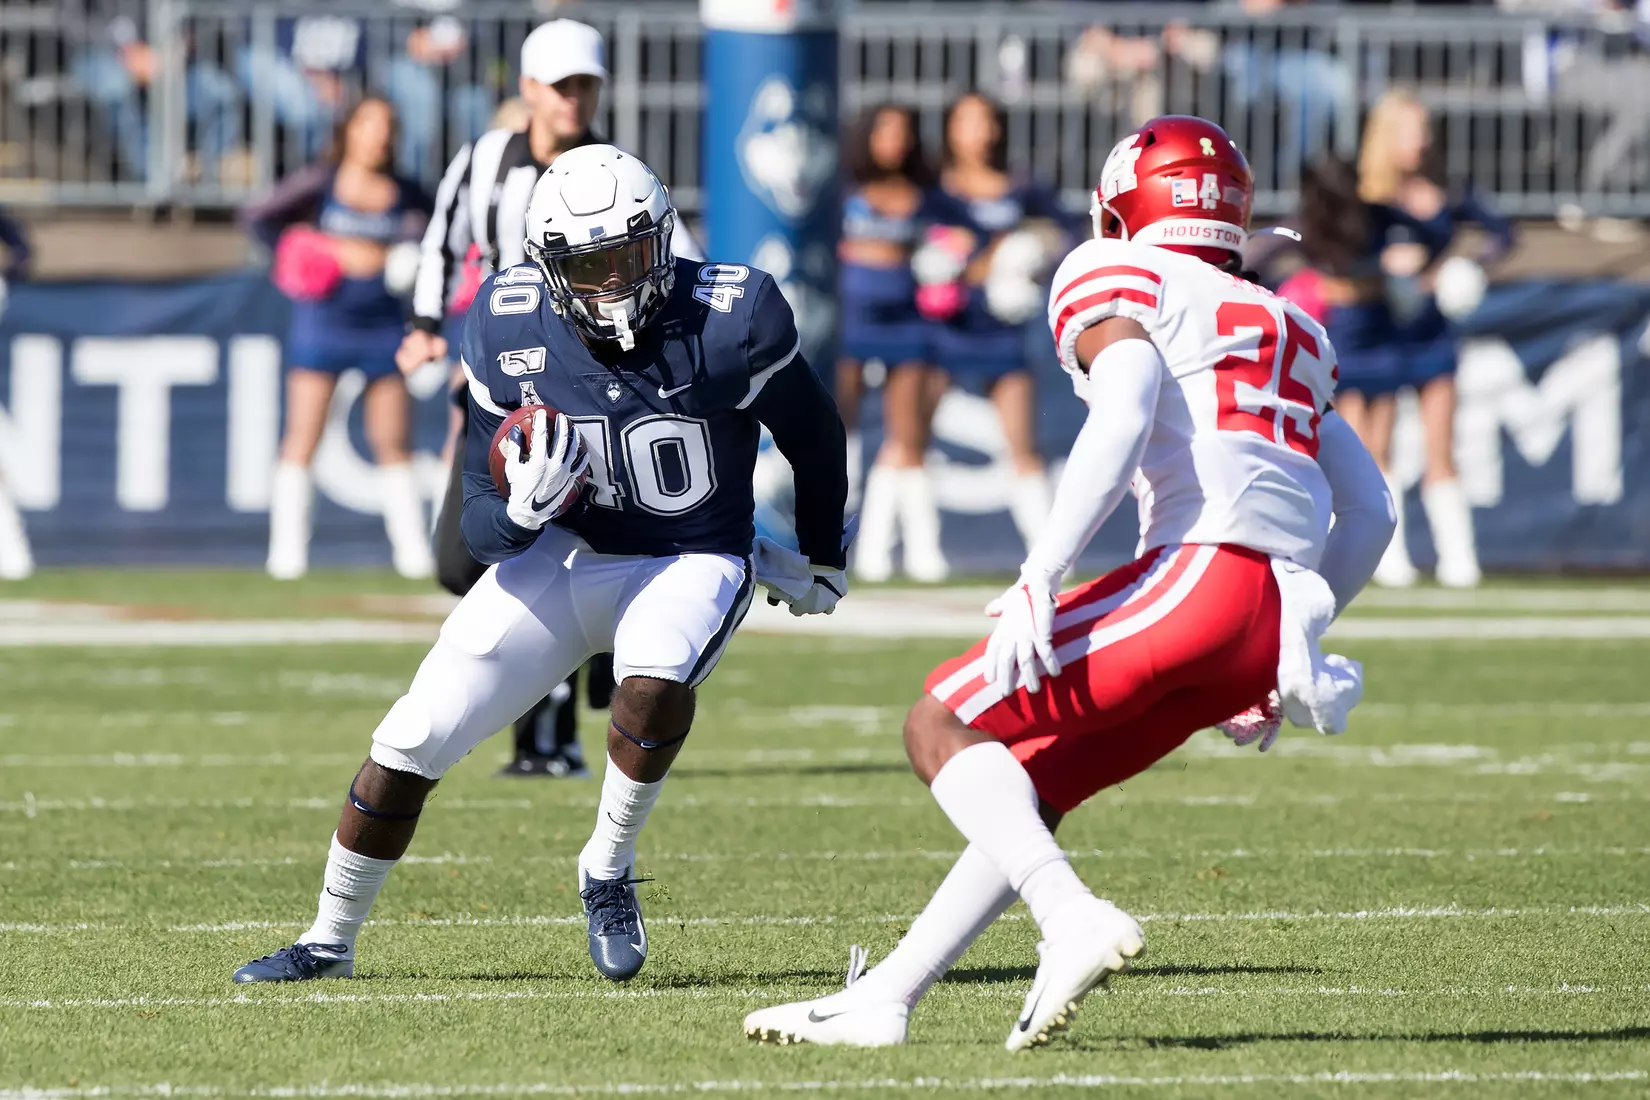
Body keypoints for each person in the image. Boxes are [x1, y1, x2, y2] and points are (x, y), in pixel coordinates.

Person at [742, 116, 1394, 1051]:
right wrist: (1288, 643)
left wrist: (1042, 571)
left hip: (1196, 579)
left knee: (938, 723)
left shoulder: (1118, 272)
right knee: (1031, 789)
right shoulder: (1291, 323)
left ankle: (1068, 915)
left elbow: (1126, 399)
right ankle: (890, 994)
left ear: (1125, 206)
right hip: (1260, 614)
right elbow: (1369, 508)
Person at [231, 145, 849, 987]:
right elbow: (479, 528)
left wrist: (821, 553)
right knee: (409, 739)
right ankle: (329, 939)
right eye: (585, 265)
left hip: (688, 552)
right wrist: (521, 510)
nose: (609, 283)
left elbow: (814, 434)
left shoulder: (731, 316)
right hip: (567, 553)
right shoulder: (509, 322)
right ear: (547, 268)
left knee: (658, 671)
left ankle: (607, 863)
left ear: (664, 242)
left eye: (626, 256)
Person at [401, 18, 698, 779]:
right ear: (529, 89)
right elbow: (443, 242)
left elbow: (678, 256)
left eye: (586, 86)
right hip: (504, 384)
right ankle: (575, 682)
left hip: (594, 391)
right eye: (563, 85)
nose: (575, 99)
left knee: (559, 551)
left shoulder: (611, 168)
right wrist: (428, 325)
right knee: (462, 554)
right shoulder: (484, 162)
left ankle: (553, 731)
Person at [242, 96, 435, 580]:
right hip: (324, 320)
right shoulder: (321, 181)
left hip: (385, 325)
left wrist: (408, 259)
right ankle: (286, 556)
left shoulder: (408, 192)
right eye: (368, 124)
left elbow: (437, 237)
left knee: (393, 439)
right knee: (302, 435)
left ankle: (412, 554)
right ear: (348, 130)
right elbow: (257, 216)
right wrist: (298, 252)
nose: (378, 135)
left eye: (387, 125)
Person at [1348, 90, 1514, 588]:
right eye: (1409, 131)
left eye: (1424, 131)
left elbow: (1501, 233)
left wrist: (1465, 266)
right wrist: (1380, 269)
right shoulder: (1364, 197)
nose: (1420, 141)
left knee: (1441, 443)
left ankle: (1458, 558)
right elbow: (1331, 253)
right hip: (1375, 329)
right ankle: (1388, 556)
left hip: (1429, 332)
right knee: (1375, 446)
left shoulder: (1445, 189)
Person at [930, 93, 1069, 555]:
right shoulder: (936, 190)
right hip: (942, 332)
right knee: (905, 443)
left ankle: (1050, 554)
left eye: (988, 121)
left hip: (1002, 333)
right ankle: (892, 555)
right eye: (968, 121)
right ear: (950, 128)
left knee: (1022, 444)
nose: (981, 132)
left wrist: (1031, 251)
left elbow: (1066, 234)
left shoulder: (1021, 186)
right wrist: (977, 259)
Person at [838, 104, 949, 582]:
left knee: (907, 436)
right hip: (848, 322)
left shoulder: (926, 196)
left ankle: (909, 551)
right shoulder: (840, 189)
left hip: (907, 322)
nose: (895, 140)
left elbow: (958, 239)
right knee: (838, 431)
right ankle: (829, 539)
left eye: (904, 131)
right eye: (885, 129)